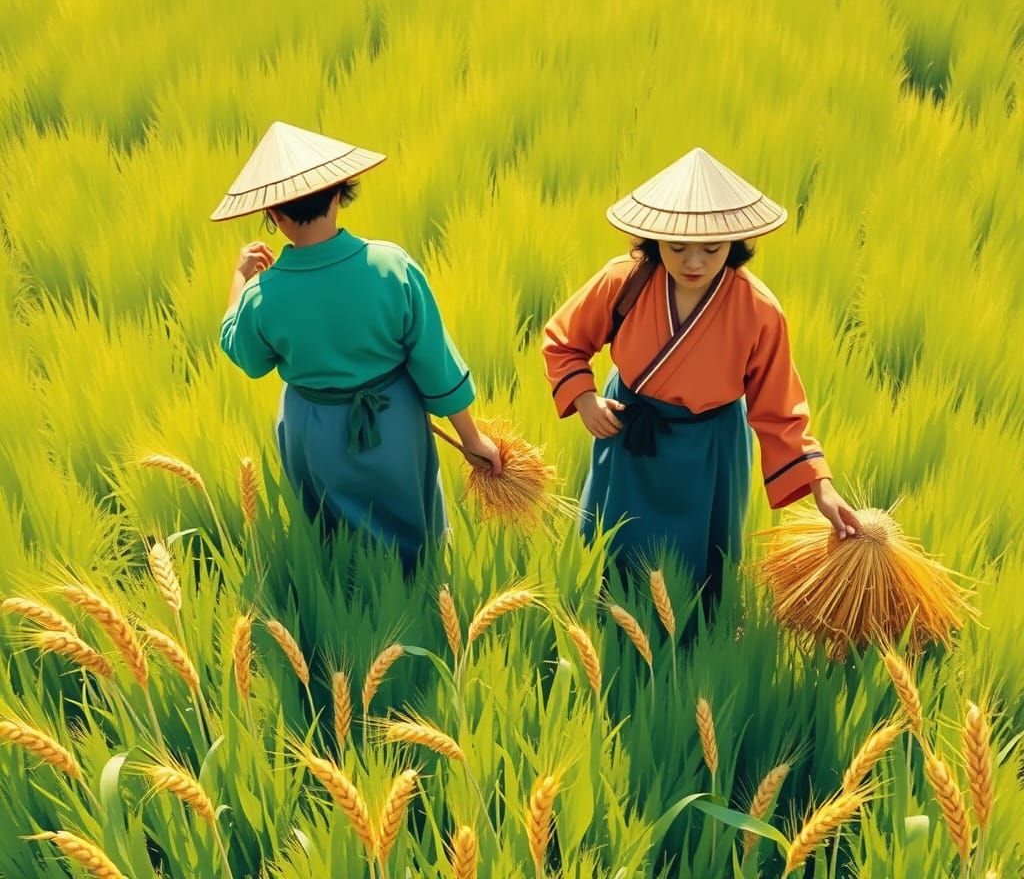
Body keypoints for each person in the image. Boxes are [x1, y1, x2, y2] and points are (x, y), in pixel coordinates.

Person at [542, 147, 858, 604]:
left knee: (696, 570)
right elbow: (564, 340)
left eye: (711, 249)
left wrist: (821, 488)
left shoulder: (759, 311)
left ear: (735, 243)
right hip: (630, 432)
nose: (694, 263)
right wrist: (586, 400)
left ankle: (688, 650)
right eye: (677, 248)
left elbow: (781, 410)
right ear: (655, 241)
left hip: (709, 448)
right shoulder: (623, 280)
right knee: (615, 554)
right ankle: (609, 629)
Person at [212, 121, 501, 572]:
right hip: (395, 420)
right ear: (339, 193)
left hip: (313, 429)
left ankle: (345, 609)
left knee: (332, 536)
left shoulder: (265, 294)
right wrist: (471, 437)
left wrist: (241, 279)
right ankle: (421, 595)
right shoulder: (390, 265)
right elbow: (435, 362)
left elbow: (243, 352)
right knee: (412, 528)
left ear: (274, 217)